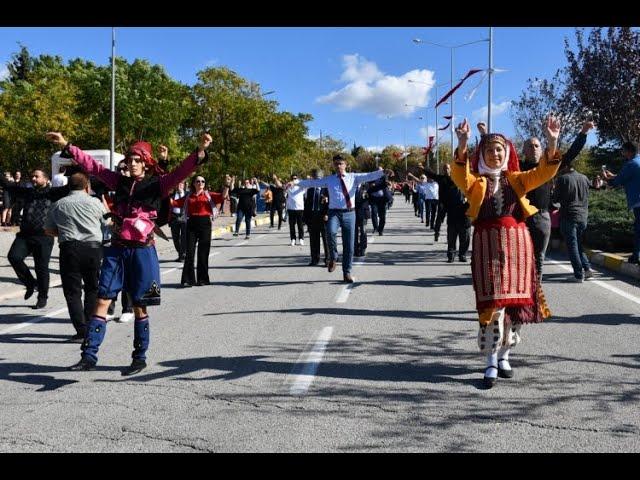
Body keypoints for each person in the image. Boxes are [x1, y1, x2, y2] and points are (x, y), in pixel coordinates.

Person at [46, 131, 212, 375]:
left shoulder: (158, 185)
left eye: (137, 160)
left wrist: (199, 150)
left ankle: (139, 357)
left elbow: (180, 172)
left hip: (143, 252)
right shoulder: (119, 182)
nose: (132, 163)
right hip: (117, 249)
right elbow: (93, 166)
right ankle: (89, 356)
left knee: (139, 306)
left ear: (145, 162)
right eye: (130, 160)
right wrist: (67, 146)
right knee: (103, 299)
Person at [451, 115, 561, 389]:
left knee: (515, 306)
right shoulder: (476, 182)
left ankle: (504, 357)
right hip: (487, 246)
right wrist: (463, 143)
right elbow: (459, 175)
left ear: (507, 152)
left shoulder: (518, 180)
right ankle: (489, 361)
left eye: (499, 149)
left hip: (518, 247)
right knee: (491, 307)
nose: (495, 153)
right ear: (483, 155)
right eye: (490, 150)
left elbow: (545, 173)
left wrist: (552, 141)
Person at [294, 154, 393, 283]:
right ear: (333, 165)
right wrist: (295, 182)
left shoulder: (353, 177)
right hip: (334, 212)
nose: (338, 166)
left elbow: (369, 175)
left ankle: (346, 273)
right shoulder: (329, 179)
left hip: (349, 214)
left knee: (349, 246)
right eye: (336, 164)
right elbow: (313, 182)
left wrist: (382, 172)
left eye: (341, 163)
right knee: (330, 232)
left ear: (346, 165)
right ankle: (333, 257)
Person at [517, 120, 593, 281]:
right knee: (519, 257)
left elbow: (571, 154)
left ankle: (535, 290)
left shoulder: (549, 167)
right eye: (529, 146)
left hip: (541, 218)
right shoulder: (517, 168)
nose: (533, 149)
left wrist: (583, 132)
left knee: (538, 258)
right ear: (523, 150)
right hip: (519, 218)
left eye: (537, 146)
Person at [44, 172, 107, 341]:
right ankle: (90, 323)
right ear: (87, 187)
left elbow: (48, 230)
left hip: (69, 248)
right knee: (92, 288)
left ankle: (81, 329)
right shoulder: (95, 202)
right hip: (93, 249)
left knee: (72, 291)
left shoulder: (58, 204)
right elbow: (107, 223)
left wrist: (64, 233)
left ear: (68, 187)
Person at [1, 168, 70, 309]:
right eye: (32, 176)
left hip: (44, 237)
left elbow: (71, 186)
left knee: (41, 268)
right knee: (14, 257)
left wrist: (76, 165)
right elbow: (8, 185)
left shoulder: (53, 193)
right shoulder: (28, 192)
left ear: (45, 178)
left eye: (36, 176)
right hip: (25, 235)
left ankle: (42, 296)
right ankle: (30, 283)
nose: (33, 179)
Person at [170, 176, 223, 287]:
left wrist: (227, 186)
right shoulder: (188, 196)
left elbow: (222, 197)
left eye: (202, 181)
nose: (200, 183)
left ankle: (202, 279)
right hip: (191, 224)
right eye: (198, 181)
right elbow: (174, 203)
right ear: (194, 183)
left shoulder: (208, 195)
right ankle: (188, 279)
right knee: (189, 252)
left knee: (203, 253)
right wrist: (164, 193)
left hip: (205, 224)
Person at [552, 157, 594, 282]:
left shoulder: (562, 179)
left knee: (572, 246)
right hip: (583, 216)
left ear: (564, 166)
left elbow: (555, 199)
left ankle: (578, 274)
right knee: (578, 244)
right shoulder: (584, 178)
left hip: (569, 216)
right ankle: (587, 269)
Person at [423, 163, 471, 262]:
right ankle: (451, 254)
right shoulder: (445, 180)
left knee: (465, 236)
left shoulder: (466, 181)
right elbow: (433, 175)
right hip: (450, 210)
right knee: (451, 236)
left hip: (464, 214)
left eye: (448, 168)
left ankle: (462, 255)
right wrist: (424, 169)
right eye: (445, 168)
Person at [602, 141, 640, 264]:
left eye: (623, 151)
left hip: (638, 201)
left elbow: (618, 181)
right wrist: (614, 176)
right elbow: (629, 176)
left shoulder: (630, 164)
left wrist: (607, 179)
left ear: (629, 151)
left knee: (638, 229)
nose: (622, 153)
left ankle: (636, 256)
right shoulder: (637, 162)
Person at [303, 169, 329, 266]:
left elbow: (330, 203)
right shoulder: (310, 190)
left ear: (322, 179)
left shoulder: (327, 190)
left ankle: (328, 259)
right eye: (315, 178)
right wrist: (305, 218)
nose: (316, 180)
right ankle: (315, 259)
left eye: (318, 178)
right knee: (314, 240)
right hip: (312, 217)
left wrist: (327, 214)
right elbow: (306, 205)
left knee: (326, 239)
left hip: (323, 217)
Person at [285, 174, 306, 246]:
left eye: (295, 178)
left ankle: (301, 239)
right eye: (293, 178)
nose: (294, 179)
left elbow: (306, 186)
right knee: (292, 225)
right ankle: (293, 239)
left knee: (300, 225)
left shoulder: (300, 185)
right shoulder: (288, 186)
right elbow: (283, 188)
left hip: (300, 208)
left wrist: (296, 183)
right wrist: (288, 184)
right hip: (291, 208)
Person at [169, 181, 187, 262]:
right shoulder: (171, 196)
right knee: (175, 238)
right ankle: (181, 253)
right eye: (178, 184)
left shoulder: (188, 194)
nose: (179, 185)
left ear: (184, 185)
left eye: (181, 184)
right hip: (174, 218)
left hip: (185, 218)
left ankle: (183, 255)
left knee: (184, 238)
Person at [368, 169, 389, 236]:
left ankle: (381, 230)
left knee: (382, 216)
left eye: (382, 171)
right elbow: (370, 185)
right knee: (374, 213)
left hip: (382, 199)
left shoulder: (384, 177)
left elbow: (384, 183)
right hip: (374, 199)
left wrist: (376, 184)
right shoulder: (372, 177)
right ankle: (375, 228)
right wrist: (376, 185)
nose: (381, 172)